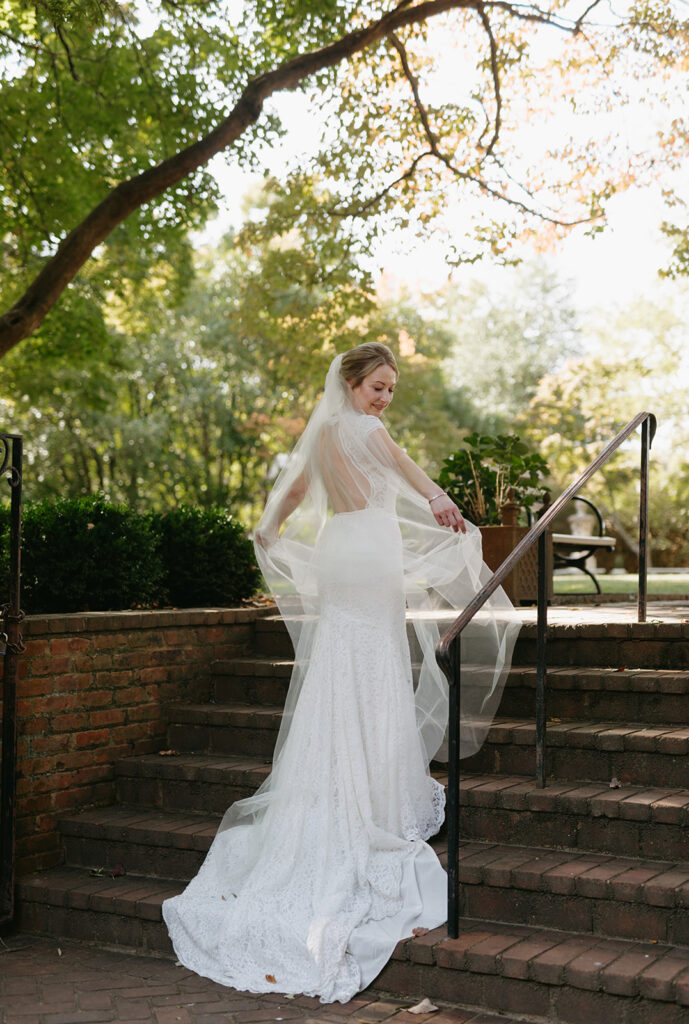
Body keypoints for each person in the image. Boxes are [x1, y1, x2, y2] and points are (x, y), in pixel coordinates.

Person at [163, 343, 520, 1003]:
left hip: (339, 549)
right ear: (353, 382)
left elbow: (296, 490)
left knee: (340, 661)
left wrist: (268, 526)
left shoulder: (323, 431)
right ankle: (373, 788)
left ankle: (335, 775)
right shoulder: (370, 432)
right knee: (375, 660)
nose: (384, 399)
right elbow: (412, 473)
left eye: (390, 391)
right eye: (377, 386)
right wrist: (445, 506)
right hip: (373, 550)